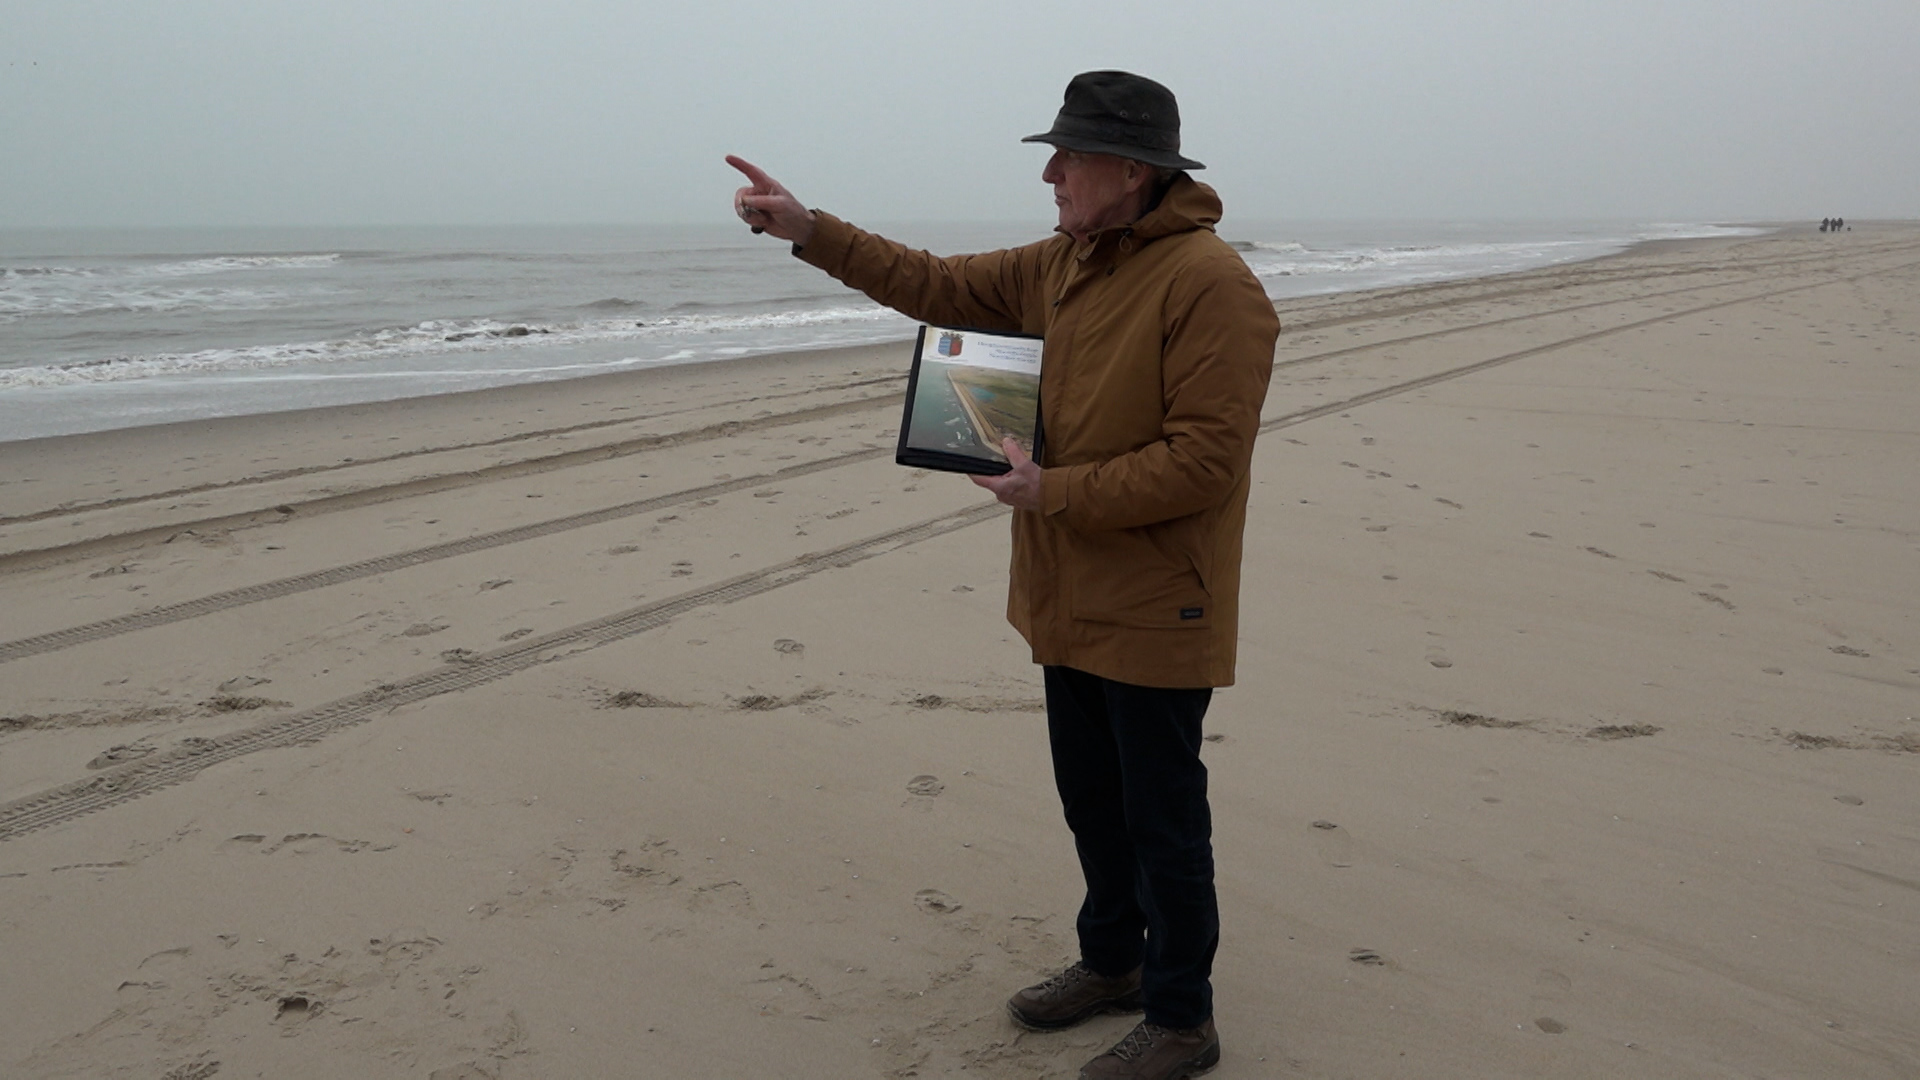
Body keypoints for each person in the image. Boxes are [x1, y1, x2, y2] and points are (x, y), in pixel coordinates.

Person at [729, 70, 1278, 1080]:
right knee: (1091, 802)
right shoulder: (1064, 264)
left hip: (1160, 602)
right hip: (1065, 593)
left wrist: (1051, 491)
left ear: (1132, 170)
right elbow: (935, 284)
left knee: (1162, 818)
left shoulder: (1211, 285)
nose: (1053, 174)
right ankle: (1112, 963)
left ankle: (1183, 1018)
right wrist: (809, 230)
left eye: (1067, 157)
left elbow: (1207, 461)